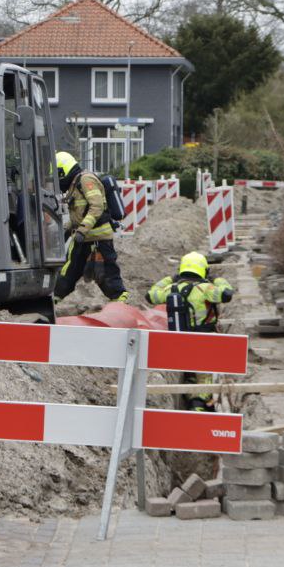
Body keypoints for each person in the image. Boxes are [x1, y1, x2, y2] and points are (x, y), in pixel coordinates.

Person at [146, 251, 235, 411]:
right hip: (205, 342)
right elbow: (227, 294)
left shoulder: (172, 289)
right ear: (203, 270)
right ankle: (199, 410)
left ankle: (191, 402)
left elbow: (151, 296)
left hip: (180, 343)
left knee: (191, 377)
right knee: (204, 385)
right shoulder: (205, 289)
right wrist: (217, 279)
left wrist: (169, 279)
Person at [52, 151, 128, 303]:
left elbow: (96, 207)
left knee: (107, 274)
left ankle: (121, 302)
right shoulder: (75, 184)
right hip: (83, 238)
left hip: (99, 238)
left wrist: (82, 230)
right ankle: (54, 299)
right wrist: (65, 231)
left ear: (62, 172)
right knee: (68, 271)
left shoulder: (86, 180)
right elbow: (79, 215)